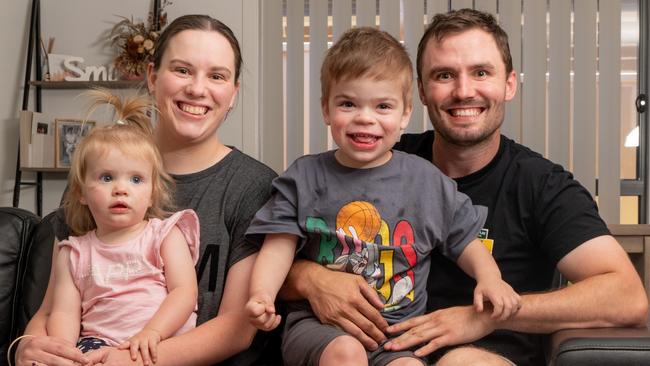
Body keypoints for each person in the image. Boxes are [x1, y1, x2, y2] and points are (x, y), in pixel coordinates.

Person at [281, 8, 648, 366]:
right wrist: (310, 278)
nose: (463, 91)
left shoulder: (542, 186)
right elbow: (266, 262)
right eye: (444, 75)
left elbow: (626, 297)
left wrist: (487, 316)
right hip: (372, 347)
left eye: (481, 72)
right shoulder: (374, 156)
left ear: (509, 84)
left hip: (486, 353)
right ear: (421, 92)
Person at [245, 27, 520, 366]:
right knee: (346, 354)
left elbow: (465, 241)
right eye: (348, 103)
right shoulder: (304, 177)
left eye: (383, 106)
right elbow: (278, 246)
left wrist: (491, 280)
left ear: (405, 113)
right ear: (326, 109)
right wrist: (261, 294)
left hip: (398, 336)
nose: (365, 117)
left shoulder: (426, 181)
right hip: (323, 328)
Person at [14, 14, 278, 366]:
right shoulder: (100, 174)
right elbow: (53, 306)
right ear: (152, 77)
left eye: (217, 76)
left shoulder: (253, 186)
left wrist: (129, 361)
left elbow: (237, 328)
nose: (198, 89)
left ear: (233, 93)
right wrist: (24, 348)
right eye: (182, 70)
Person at [47, 89, 199, 366]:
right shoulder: (74, 252)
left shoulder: (163, 235)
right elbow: (63, 314)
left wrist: (153, 332)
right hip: (96, 348)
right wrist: (62, 352)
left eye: (136, 180)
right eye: (106, 177)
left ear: (153, 192)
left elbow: (184, 293)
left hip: (159, 345)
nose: (120, 190)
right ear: (81, 192)